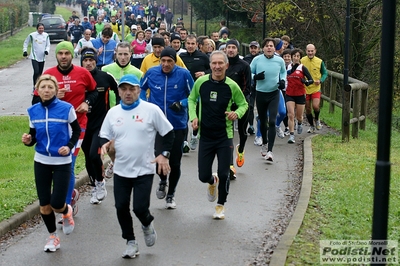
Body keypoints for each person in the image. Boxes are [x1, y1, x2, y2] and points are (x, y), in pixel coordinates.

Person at [99, 74, 174, 258]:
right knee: (121, 207)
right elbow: (104, 136)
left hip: (144, 168)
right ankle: (130, 242)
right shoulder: (113, 113)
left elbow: (169, 133)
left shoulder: (151, 110)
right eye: (124, 89)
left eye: (132, 89)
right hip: (121, 170)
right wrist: (104, 145)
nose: (128, 93)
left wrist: (163, 155)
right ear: (119, 92)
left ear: (139, 90)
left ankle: (147, 223)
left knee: (140, 208)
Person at [32, 41, 98, 218]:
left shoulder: (83, 73)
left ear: (71, 55)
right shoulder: (48, 75)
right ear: (56, 56)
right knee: (56, 165)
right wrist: (52, 96)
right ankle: (69, 195)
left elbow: (94, 92)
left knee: (68, 163)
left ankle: (65, 206)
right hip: (54, 128)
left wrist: (87, 102)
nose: (63, 56)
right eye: (60, 53)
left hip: (77, 126)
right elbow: (34, 102)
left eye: (66, 53)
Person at [22, 74, 81, 252]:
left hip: (62, 161)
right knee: (44, 204)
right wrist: (28, 139)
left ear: (55, 90)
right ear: (37, 90)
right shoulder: (33, 111)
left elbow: (76, 131)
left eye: (50, 87)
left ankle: (66, 211)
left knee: (56, 203)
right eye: (43, 87)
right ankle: (53, 237)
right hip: (41, 160)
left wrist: (69, 146)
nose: (46, 90)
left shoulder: (66, 108)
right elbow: (33, 134)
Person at [188, 50, 248, 219]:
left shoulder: (232, 86)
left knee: (224, 173)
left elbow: (243, 104)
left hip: (224, 136)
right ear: (210, 65)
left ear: (226, 66)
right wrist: (193, 117)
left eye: (220, 63)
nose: (217, 66)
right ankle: (211, 182)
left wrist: (237, 113)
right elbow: (191, 99)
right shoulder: (201, 82)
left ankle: (220, 206)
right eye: (214, 63)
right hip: (206, 136)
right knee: (203, 176)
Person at [141, 47, 194, 209]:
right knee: (158, 158)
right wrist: (146, 105)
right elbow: (141, 89)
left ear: (175, 61)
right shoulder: (151, 73)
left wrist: (182, 104)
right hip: (157, 125)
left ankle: (171, 195)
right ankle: (163, 180)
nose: (165, 64)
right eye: (163, 61)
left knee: (175, 162)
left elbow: (193, 96)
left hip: (177, 124)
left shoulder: (183, 74)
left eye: (169, 61)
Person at [80, 47, 119, 204]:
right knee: (88, 159)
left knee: (94, 155)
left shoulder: (105, 77)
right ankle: (95, 183)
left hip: (101, 124)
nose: (88, 63)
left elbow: (119, 92)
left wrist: (118, 113)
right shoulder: (77, 78)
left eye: (91, 60)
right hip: (82, 124)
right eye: (86, 60)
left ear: (96, 61)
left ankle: (100, 182)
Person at [101, 42, 144, 178]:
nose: (123, 57)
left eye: (126, 54)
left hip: (131, 113)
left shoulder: (138, 73)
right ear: (116, 54)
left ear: (131, 54)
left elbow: (141, 95)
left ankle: (124, 169)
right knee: (110, 146)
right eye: (120, 54)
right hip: (111, 112)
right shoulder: (106, 69)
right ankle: (116, 163)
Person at [250, 37, 287, 162]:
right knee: (263, 120)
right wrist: (255, 77)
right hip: (261, 93)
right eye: (266, 46)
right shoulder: (257, 60)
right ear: (263, 48)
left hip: (274, 93)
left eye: (271, 46)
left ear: (274, 48)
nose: (269, 48)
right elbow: (249, 72)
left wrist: (282, 81)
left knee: (272, 121)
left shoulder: (279, 60)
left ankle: (270, 150)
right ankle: (264, 143)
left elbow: (283, 72)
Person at [225, 39, 252, 177]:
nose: (230, 50)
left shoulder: (244, 65)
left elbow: (248, 87)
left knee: (242, 131)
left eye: (233, 47)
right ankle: (230, 165)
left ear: (237, 50)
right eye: (228, 47)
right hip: (226, 105)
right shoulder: (223, 65)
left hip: (241, 103)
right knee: (228, 133)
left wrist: (240, 101)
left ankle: (240, 150)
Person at [179, 35, 211, 151]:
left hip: (199, 90)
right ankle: (184, 141)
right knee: (184, 116)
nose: (190, 46)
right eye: (188, 43)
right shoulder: (181, 57)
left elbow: (211, 70)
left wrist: (204, 73)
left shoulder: (203, 57)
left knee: (197, 115)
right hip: (184, 90)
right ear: (185, 44)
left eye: (193, 44)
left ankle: (194, 135)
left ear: (197, 45)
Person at [286, 48, 313, 143]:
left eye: (298, 56)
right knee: (290, 114)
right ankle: (291, 135)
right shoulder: (288, 67)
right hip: (289, 94)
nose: (296, 58)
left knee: (299, 116)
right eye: (294, 56)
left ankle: (300, 123)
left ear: (300, 57)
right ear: (292, 57)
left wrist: (305, 81)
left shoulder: (302, 68)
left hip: (300, 94)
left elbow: (311, 80)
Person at [300, 43, 328, 133]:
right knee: (308, 109)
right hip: (305, 88)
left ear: (315, 51)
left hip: (316, 87)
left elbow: (325, 73)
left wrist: (320, 80)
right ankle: (311, 125)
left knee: (315, 106)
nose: (310, 53)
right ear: (306, 51)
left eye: (312, 51)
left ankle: (317, 119)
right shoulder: (302, 60)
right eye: (309, 51)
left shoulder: (319, 61)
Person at [23, 23, 50, 90]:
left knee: (40, 73)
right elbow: (26, 42)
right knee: (36, 71)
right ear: (37, 28)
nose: (41, 30)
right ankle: (34, 86)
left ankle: (39, 86)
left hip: (42, 57)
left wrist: (47, 51)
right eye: (39, 28)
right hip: (34, 56)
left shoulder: (46, 35)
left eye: (42, 28)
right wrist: (25, 51)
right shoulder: (32, 35)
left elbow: (48, 45)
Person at [243, 41, 261, 136]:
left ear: (259, 49)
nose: (253, 50)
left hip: (261, 86)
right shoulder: (246, 58)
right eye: (252, 48)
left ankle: (261, 125)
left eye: (255, 48)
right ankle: (251, 126)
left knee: (260, 106)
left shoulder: (262, 58)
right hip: (250, 86)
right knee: (250, 106)